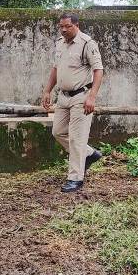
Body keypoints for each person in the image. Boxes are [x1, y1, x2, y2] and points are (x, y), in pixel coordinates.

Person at [41, 12, 104, 192]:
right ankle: (90, 154)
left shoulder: (87, 44)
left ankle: (75, 178)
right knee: (58, 132)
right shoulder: (59, 43)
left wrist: (92, 96)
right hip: (63, 96)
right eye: (61, 26)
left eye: (67, 26)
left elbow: (98, 71)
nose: (63, 30)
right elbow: (55, 68)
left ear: (76, 25)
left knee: (77, 138)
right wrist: (47, 90)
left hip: (81, 97)